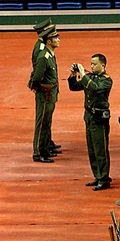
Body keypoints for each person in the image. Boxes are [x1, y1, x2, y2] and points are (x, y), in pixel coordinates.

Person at [68, 54, 113, 190]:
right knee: (92, 149)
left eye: (94, 64)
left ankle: (104, 178)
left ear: (103, 65)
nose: (92, 66)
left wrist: (83, 73)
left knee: (100, 149)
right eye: (91, 64)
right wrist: (73, 75)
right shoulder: (91, 77)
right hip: (89, 116)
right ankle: (97, 175)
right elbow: (74, 87)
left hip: (99, 118)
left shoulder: (106, 80)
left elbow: (95, 88)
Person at [28, 25, 60, 163]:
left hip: (50, 93)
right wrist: (39, 88)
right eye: (55, 38)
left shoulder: (49, 54)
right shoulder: (43, 56)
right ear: (48, 41)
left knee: (47, 121)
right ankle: (37, 152)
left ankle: (45, 148)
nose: (58, 40)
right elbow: (36, 77)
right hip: (45, 94)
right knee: (41, 123)